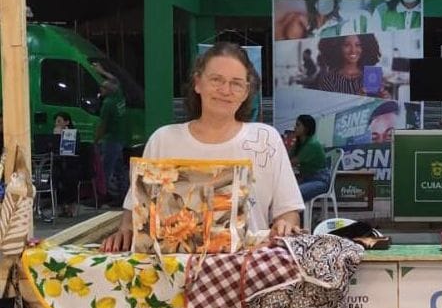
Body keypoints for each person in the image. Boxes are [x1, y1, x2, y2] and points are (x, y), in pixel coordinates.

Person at [102, 42, 305, 252]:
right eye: (216, 80)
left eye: (236, 83)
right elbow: (135, 210)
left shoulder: (265, 140)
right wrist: (125, 230)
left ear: (246, 92)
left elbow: (288, 212)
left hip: (246, 265)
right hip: (173, 266)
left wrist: (285, 225)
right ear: (198, 83)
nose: (225, 90)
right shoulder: (164, 140)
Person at [93, 73, 129, 207]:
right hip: (120, 139)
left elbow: (102, 126)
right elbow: (115, 79)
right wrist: (101, 71)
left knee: (104, 171)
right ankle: (123, 196)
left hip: (111, 140)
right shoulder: (119, 96)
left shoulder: (108, 104)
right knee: (120, 170)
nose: (100, 89)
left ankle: (101, 197)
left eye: (103, 87)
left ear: (108, 91)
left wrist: (96, 140)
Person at [315, 34, 389, 97]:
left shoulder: (372, 76)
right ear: (337, 47)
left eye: (358, 45)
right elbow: (329, 107)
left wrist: (384, 99)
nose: (353, 50)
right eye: (347, 45)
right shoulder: (328, 79)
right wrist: (356, 99)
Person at [290, 114, 330, 201]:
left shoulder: (312, 144)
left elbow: (290, 162)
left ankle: (297, 210)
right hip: (306, 179)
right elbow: (287, 157)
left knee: (294, 194)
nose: (294, 127)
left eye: (298, 125)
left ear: (306, 128)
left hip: (319, 180)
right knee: (284, 192)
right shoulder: (299, 143)